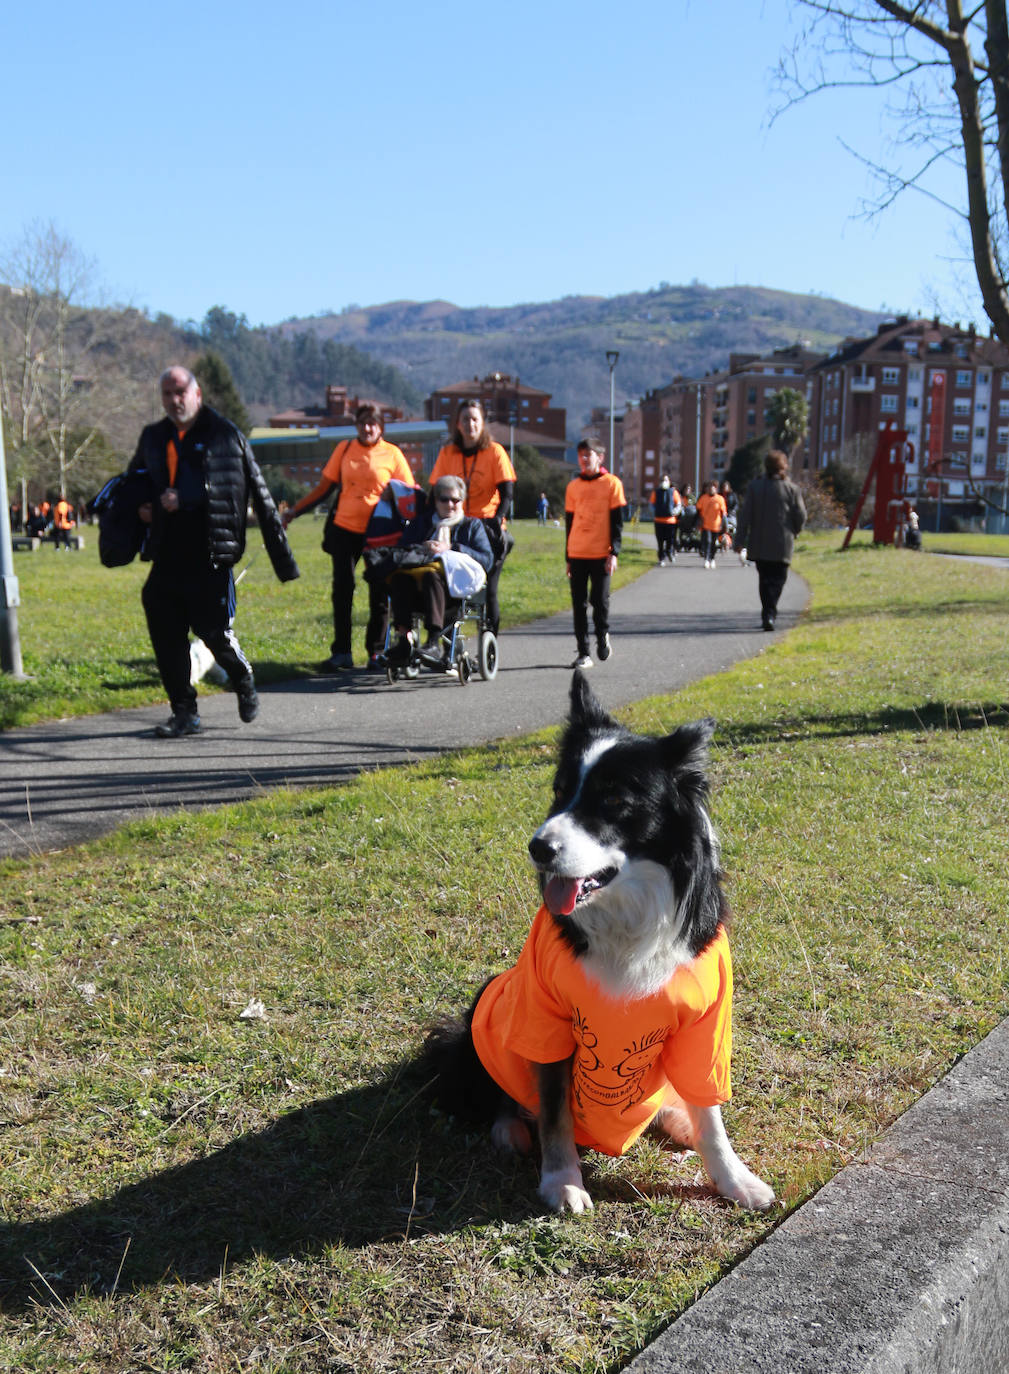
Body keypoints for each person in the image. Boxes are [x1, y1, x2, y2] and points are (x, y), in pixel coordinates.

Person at [130, 365, 299, 738]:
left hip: (210, 555)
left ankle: (242, 677)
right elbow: (136, 482)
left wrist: (282, 559)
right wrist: (139, 507)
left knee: (214, 633)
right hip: (167, 554)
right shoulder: (154, 437)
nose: (175, 401)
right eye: (167, 394)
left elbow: (243, 492)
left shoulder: (224, 435)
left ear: (197, 394)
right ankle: (184, 713)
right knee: (165, 632)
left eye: (181, 392)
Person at [284, 402, 414, 672]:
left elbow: (409, 494)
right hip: (344, 529)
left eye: (373, 423)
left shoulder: (393, 454)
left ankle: (376, 653)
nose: (367, 428)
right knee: (342, 591)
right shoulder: (344, 449)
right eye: (363, 423)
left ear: (381, 427)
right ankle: (341, 652)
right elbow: (323, 488)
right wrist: (294, 512)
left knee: (379, 593)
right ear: (356, 425)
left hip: (380, 533)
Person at [384, 474, 494, 665]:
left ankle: (434, 641)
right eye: (444, 499)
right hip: (417, 591)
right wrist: (421, 549)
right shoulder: (421, 524)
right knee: (399, 577)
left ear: (462, 501)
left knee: (431, 575)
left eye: (455, 500)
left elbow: (487, 559)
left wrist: (451, 548)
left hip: (456, 591)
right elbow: (402, 550)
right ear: (435, 501)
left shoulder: (472, 526)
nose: (450, 504)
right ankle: (403, 640)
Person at [429, 400, 516, 635]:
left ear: (482, 423)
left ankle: (489, 642)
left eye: (475, 419)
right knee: (447, 584)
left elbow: (507, 493)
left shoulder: (495, 451)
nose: (470, 424)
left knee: (488, 590)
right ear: (458, 424)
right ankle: (448, 645)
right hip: (457, 526)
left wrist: (497, 520)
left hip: (487, 526)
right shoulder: (448, 453)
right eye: (465, 419)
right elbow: (434, 491)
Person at [564, 440, 625, 669]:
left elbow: (617, 523)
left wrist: (614, 552)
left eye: (588, 454)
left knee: (599, 600)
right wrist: (568, 557)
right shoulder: (573, 487)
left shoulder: (612, 484)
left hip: (601, 553)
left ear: (600, 457)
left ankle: (602, 635)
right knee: (578, 604)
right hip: (578, 552)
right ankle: (583, 652)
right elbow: (569, 524)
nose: (584, 459)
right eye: (580, 455)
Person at [735, 449, 807, 631]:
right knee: (778, 579)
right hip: (783, 543)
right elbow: (801, 515)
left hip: (759, 543)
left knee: (765, 579)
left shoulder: (755, 487)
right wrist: (796, 530)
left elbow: (745, 516)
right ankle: (771, 612)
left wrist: (739, 540)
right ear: (784, 467)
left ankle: (767, 612)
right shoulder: (792, 489)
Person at [649, 474, 681, 566]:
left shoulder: (673, 492)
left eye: (666, 480)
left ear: (669, 481)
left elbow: (678, 504)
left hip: (670, 521)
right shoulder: (656, 492)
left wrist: (674, 512)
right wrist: (656, 512)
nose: (664, 482)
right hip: (659, 520)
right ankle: (661, 558)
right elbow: (651, 504)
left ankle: (669, 552)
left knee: (670, 540)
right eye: (663, 480)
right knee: (660, 541)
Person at [696, 480, 727, 569]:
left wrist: (724, 524)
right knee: (708, 541)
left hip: (716, 525)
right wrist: (697, 522)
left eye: (713, 487)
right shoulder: (703, 498)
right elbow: (698, 510)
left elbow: (723, 512)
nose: (711, 489)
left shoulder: (720, 499)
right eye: (709, 487)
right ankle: (706, 559)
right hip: (705, 525)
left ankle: (712, 559)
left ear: (716, 489)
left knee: (714, 543)